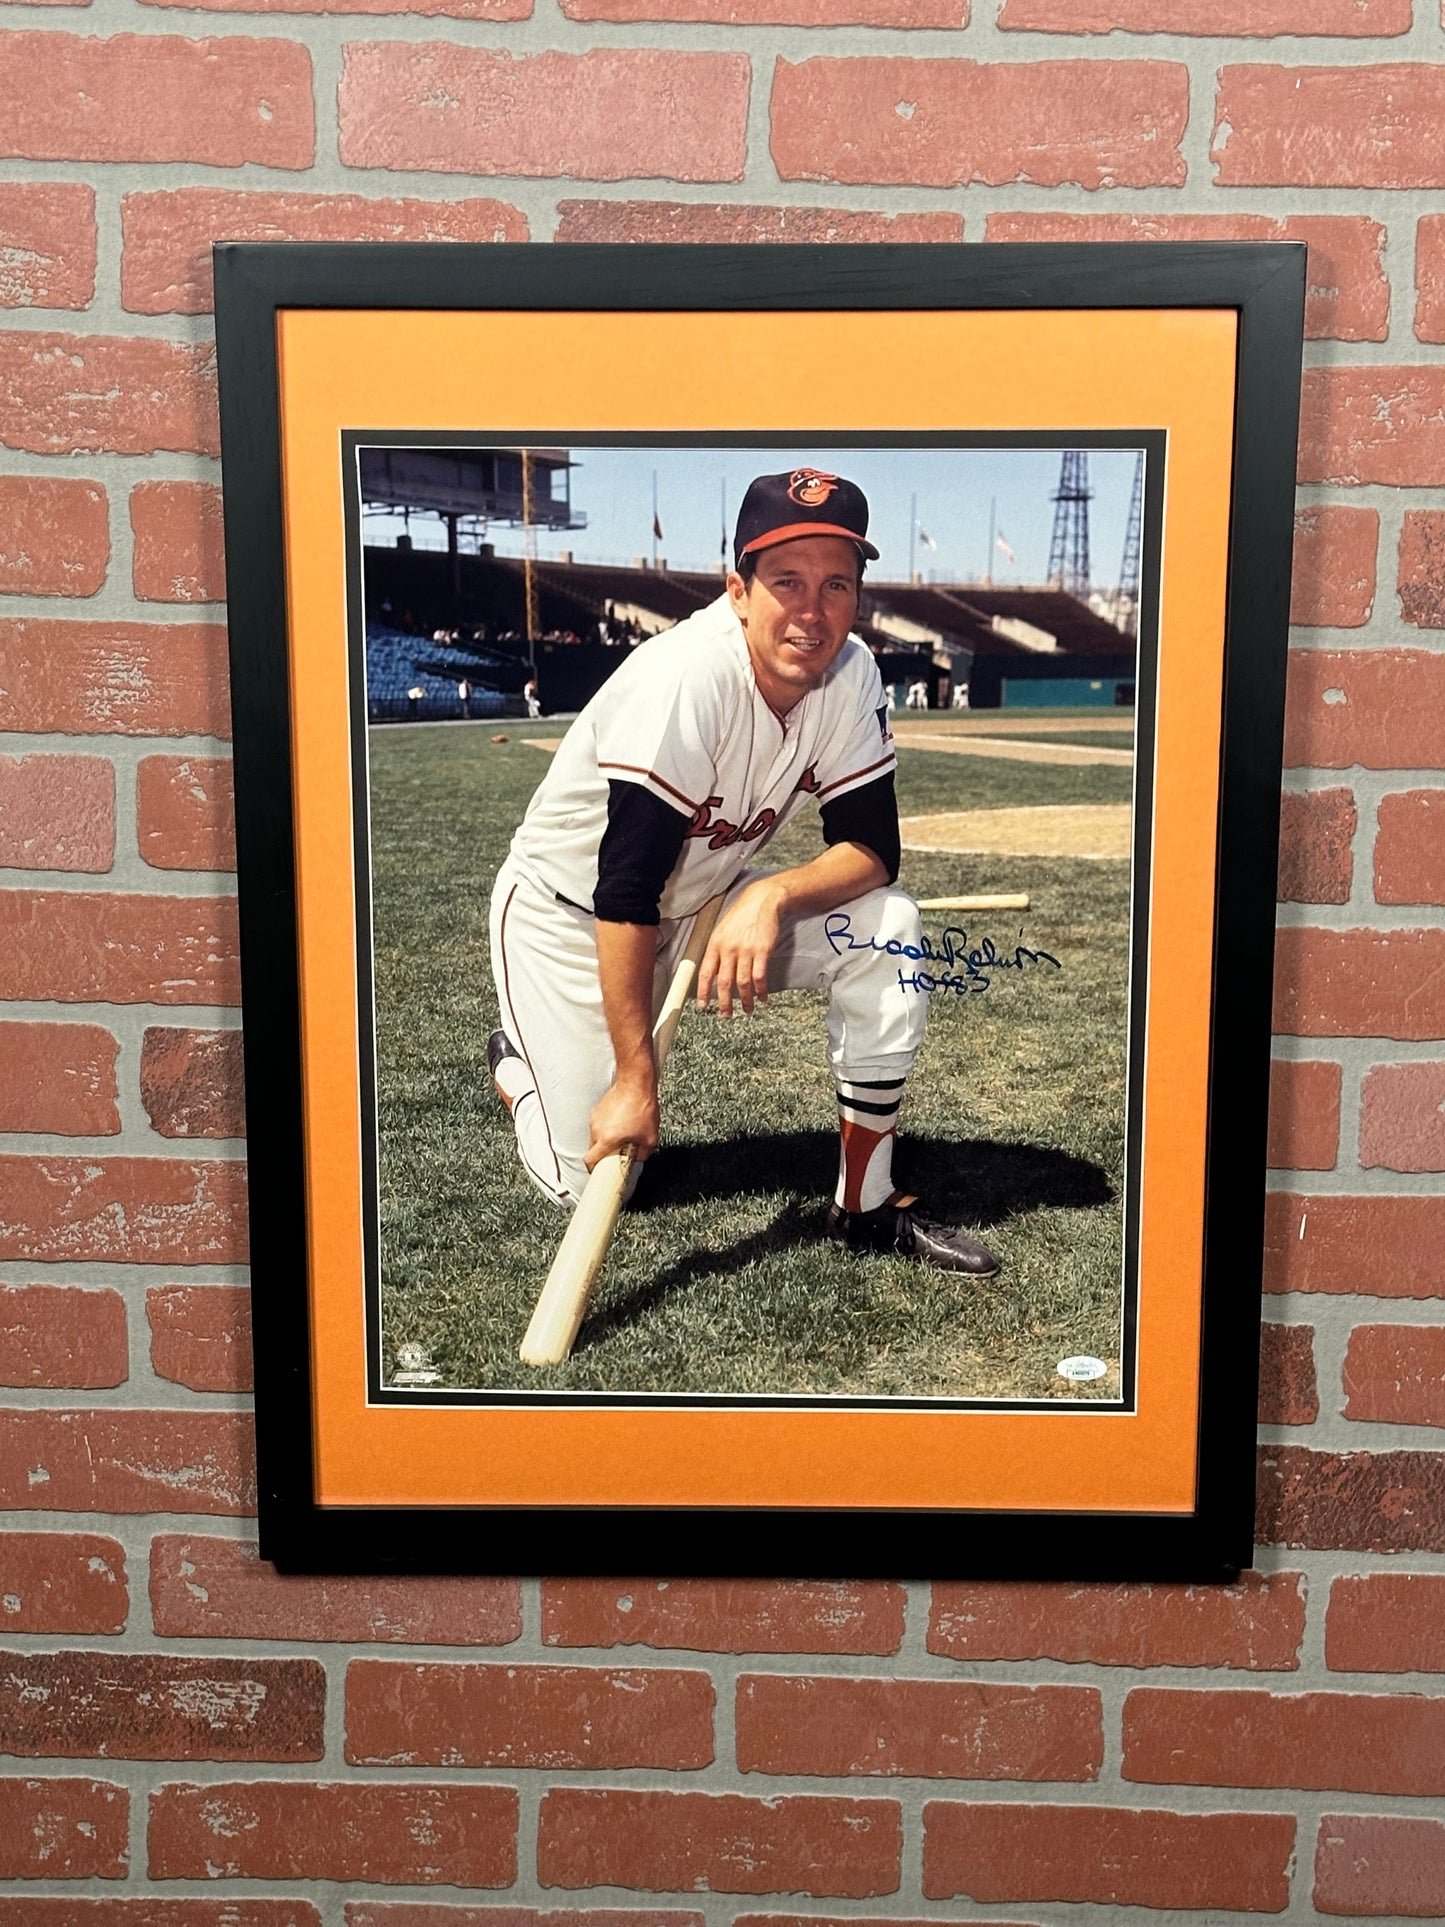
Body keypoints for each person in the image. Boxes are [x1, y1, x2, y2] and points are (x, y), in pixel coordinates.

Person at [486, 468, 999, 1276]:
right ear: (737, 589)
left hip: (707, 899)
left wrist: (771, 891)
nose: (811, 608)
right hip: (570, 919)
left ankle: (864, 1201)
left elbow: (873, 850)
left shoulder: (852, 673)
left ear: (858, 597)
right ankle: (519, 1074)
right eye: (786, 581)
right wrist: (634, 1076)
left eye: (836, 584)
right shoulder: (685, 677)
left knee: (887, 923)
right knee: (597, 1181)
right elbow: (623, 889)